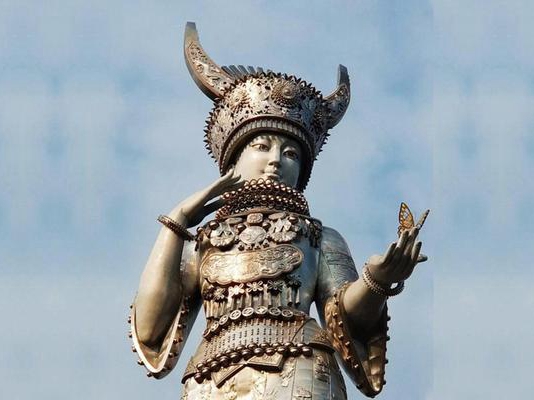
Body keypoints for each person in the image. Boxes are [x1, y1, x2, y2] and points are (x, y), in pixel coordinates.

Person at [129, 22, 427, 399]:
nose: (275, 161)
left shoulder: (318, 237)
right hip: (210, 379)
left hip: (299, 369)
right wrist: (176, 222)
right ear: (233, 159)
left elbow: (344, 316)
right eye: (261, 146)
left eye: (290, 154)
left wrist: (376, 280)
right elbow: (150, 329)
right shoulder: (202, 243)